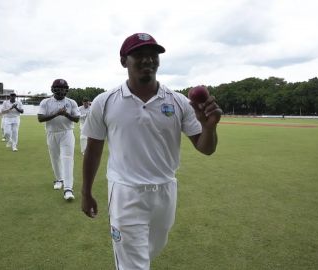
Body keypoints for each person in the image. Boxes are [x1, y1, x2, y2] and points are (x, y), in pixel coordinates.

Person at [81, 33, 222, 269]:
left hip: (165, 191)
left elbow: (206, 148)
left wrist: (210, 128)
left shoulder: (177, 102)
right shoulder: (105, 102)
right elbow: (93, 150)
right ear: (124, 61)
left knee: (150, 251)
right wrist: (86, 192)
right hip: (126, 192)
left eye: (153, 55)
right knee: (133, 264)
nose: (148, 60)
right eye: (139, 55)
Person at [38, 79, 81, 201]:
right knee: (55, 158)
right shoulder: (46, 102)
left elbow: (76, 119)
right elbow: (40, 118)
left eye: (63, 88)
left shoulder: (71, 102)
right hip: (51, 133)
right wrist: (57, 113)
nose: (61, 90)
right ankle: (59, 179)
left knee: (67, 159)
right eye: (58, 88)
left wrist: (66, 114)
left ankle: (68, 189)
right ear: (53, 89)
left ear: (66, 89)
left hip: (67, 133)